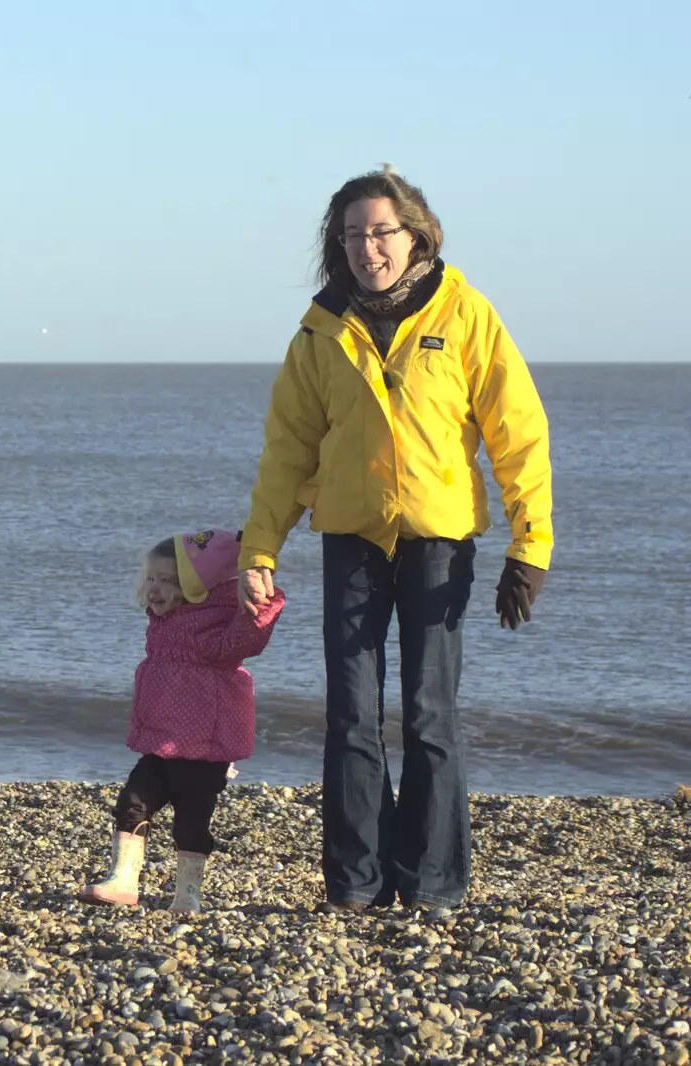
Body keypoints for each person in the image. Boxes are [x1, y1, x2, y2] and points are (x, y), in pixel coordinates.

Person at [238, 165, 553, 913]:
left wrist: (530, 545)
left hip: (439, 542)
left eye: (381, 231)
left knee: (428, 714)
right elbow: (288, 451)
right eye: (352, 234)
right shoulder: (319, 330)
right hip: (352, 537)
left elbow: (518, 434)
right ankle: (357, 883)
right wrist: (260, 548)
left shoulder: (466, 314)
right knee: (350, 713)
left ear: (417, 235)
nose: (367, 247)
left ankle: (435, 882)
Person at [80, 529, 285, 912]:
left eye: (169, 581)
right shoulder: (163, 622)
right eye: (152, 579)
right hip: (160, 745)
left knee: (190, 824)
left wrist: (261, 601)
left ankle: (188, 894)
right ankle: (123, 880)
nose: (155, 589)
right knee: (132, 803)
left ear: (195, 587)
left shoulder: (214, 626)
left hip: (203, 751)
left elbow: (247, 639)